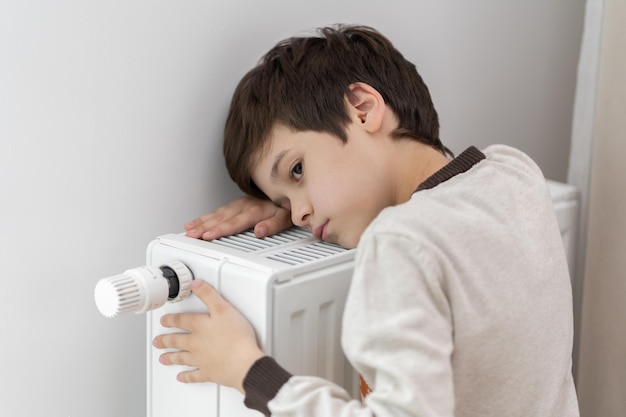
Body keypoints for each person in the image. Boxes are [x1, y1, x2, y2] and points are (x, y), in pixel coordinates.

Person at [152, 25, 579, 416]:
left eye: (297, 170)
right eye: (284, 200)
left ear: (361, 108)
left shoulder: (400, 242)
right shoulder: (514, 173)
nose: (299, 214)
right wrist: (297, 194)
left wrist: (251, 372)